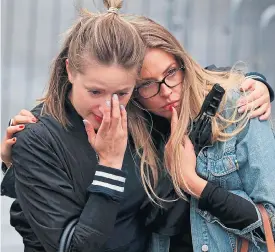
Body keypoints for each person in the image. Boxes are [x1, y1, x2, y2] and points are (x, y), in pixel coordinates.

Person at [1, 3, 275, 252]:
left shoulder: (147, 111)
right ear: (70, 71)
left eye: (121, 92)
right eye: (95, 91)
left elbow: (203, 79)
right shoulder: (47, 133)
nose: (107, 106)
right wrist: (18, 158)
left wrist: (257, 83)